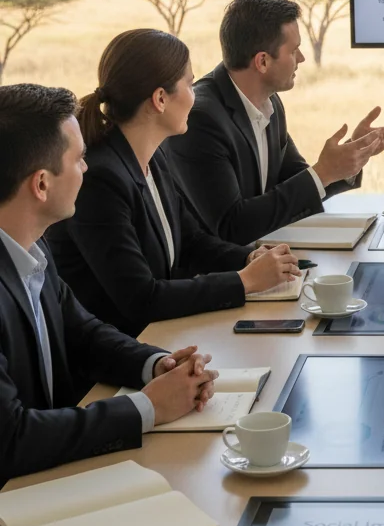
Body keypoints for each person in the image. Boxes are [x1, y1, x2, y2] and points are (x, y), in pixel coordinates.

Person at [0, 84, 218, 486]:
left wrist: (157, 365)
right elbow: (10, 438)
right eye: (79, 159)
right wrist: (147, 408)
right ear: (42, 184)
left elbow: (82, 333)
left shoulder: (29, 240)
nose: (87, 168)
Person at [47, 29, 299, 338]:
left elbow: (191, 241)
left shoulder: (154, 157)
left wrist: (248, 258)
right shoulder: (101, 181)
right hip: (115, 362)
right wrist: (244, 280)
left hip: (160, 338)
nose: (196, 96)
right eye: (190, 84)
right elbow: (142, 298)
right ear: (160, 99)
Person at [166, 0, 384, 245]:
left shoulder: (270, 102)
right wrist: (323, 172)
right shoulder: (202, 120)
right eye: (294, 50)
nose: (301, 58)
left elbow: (295, 182)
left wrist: (351, 156)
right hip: (222, 274)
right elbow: (232, 226)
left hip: (265, 258)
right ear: (262, 61)